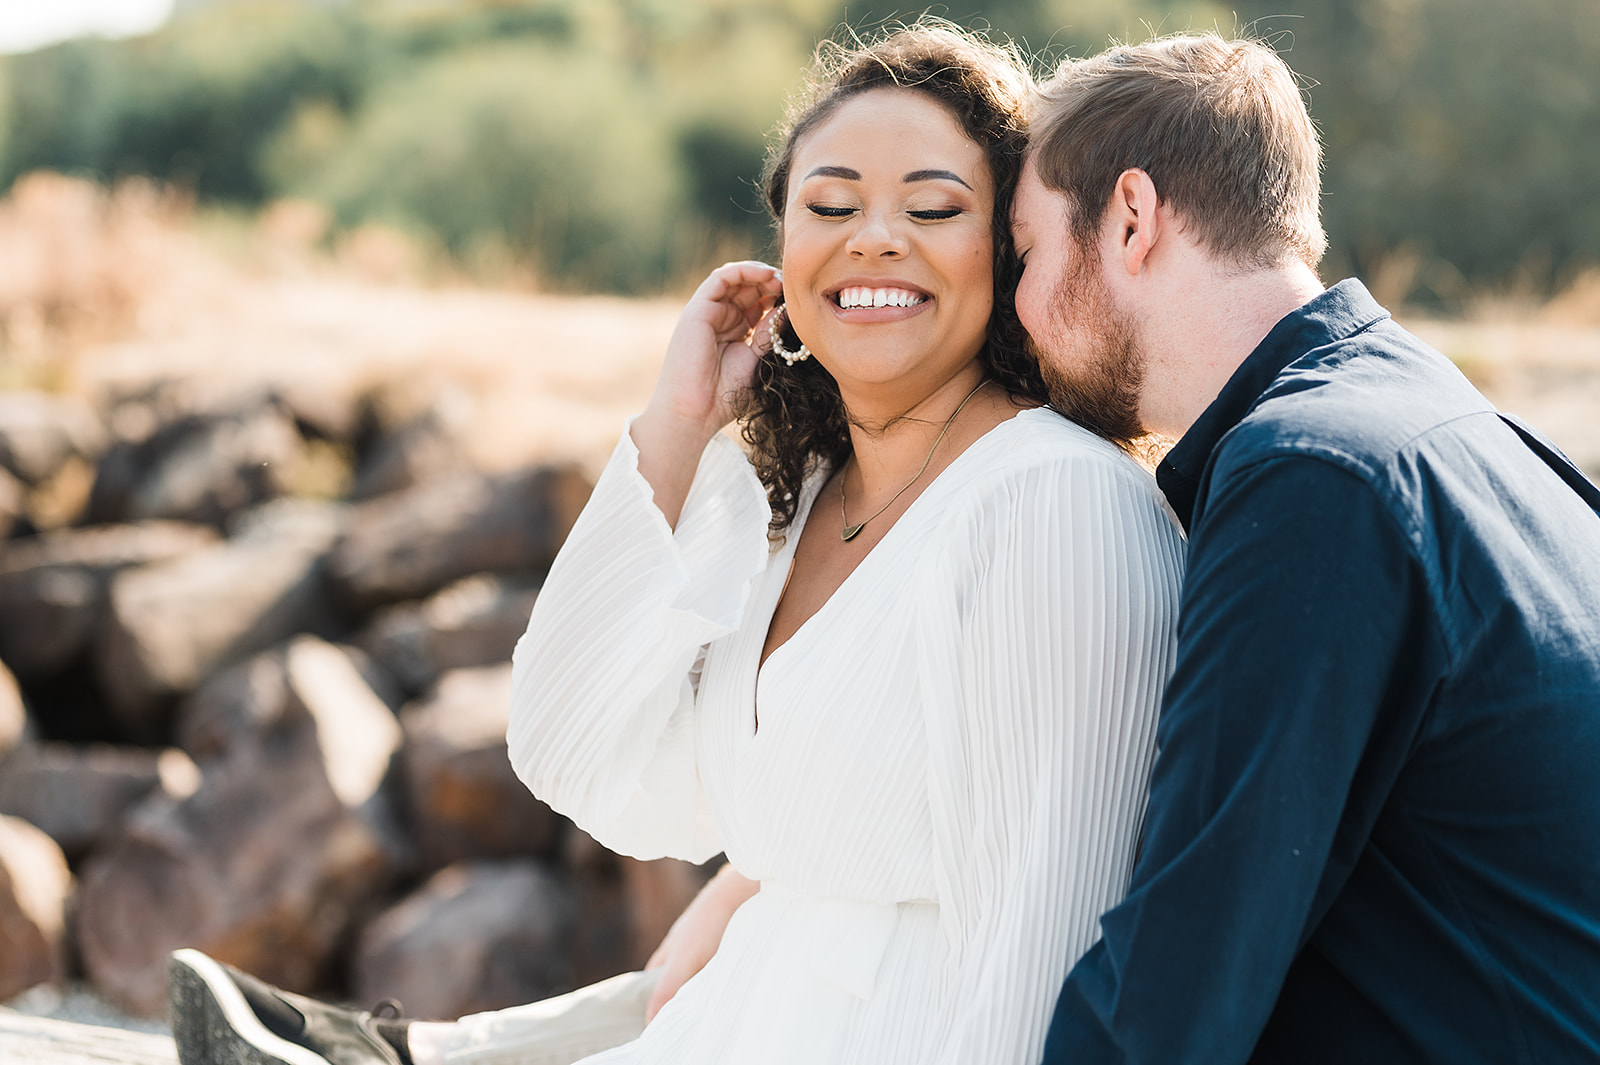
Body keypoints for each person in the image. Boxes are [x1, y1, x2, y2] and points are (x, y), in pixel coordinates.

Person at [164, 22, 1186, 1065]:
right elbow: (570, 751)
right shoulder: (801, 503)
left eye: (933, 207)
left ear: (1008, 248)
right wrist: (676, 423)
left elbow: (1055, 942)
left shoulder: (1052, 505)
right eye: (829, 206)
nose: (875, 237)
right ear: (783, 253)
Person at [1005, 32, 1600, 1065]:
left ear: (1131, 219)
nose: (1015, 309)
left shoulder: (1312, 477)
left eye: (1026, 253)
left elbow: (1177, 985)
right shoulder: (1453, 430)